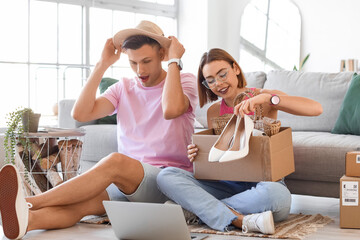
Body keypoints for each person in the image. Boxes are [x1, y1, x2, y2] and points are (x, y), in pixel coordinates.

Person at [0, 20, 198, 240]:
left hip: (167, 181)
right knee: (81, 205)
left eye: (146, 61)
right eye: (133, 63)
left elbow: (171, 109)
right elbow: (80, 114)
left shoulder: (184, 80)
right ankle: (27, 220)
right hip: (125, 183)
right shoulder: (123, 88)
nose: (140, 70)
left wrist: (174, 61)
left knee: (115, 161)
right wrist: (102, 63)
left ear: (162, 54)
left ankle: (30, 202)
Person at [157, 48, 323, 234]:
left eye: (222, 74)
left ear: (235, 68)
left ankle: (199, 211)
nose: (218, 83)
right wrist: (198, 154)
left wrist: (268, 98)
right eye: (210, 80)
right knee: (166, 175)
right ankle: (237, 218)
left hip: (263, 185)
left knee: (277, 196)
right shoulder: (213, 112)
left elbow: (316, 109)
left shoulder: (265, 97)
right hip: (227, 186)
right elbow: (218, 158)